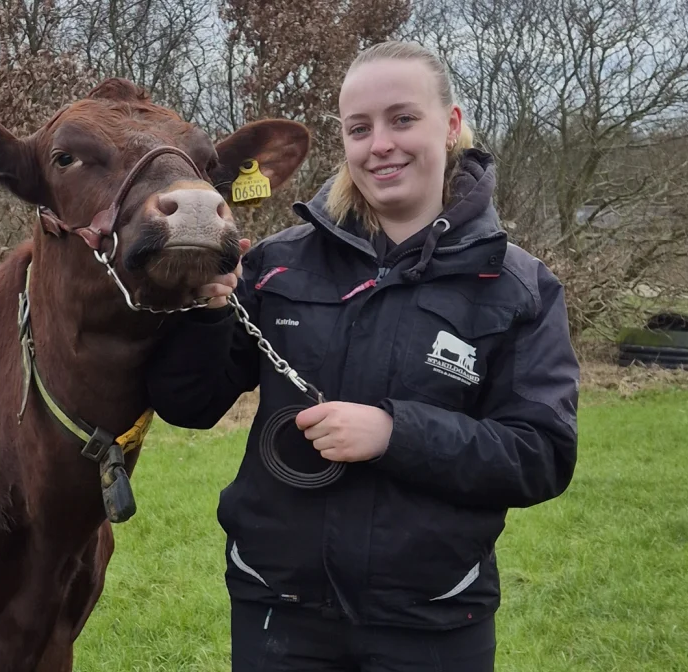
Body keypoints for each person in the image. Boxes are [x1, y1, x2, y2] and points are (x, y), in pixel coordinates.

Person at [145, 40, 579, 671]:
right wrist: (206, 311)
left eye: (403, 119)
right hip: (277, 607)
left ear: (451, 125)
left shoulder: (516, 288)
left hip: (432, 617)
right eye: (359, 128)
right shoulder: (273, 266)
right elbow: (189, 403)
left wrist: (395, 433)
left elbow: (541, 455)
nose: (381, 144)